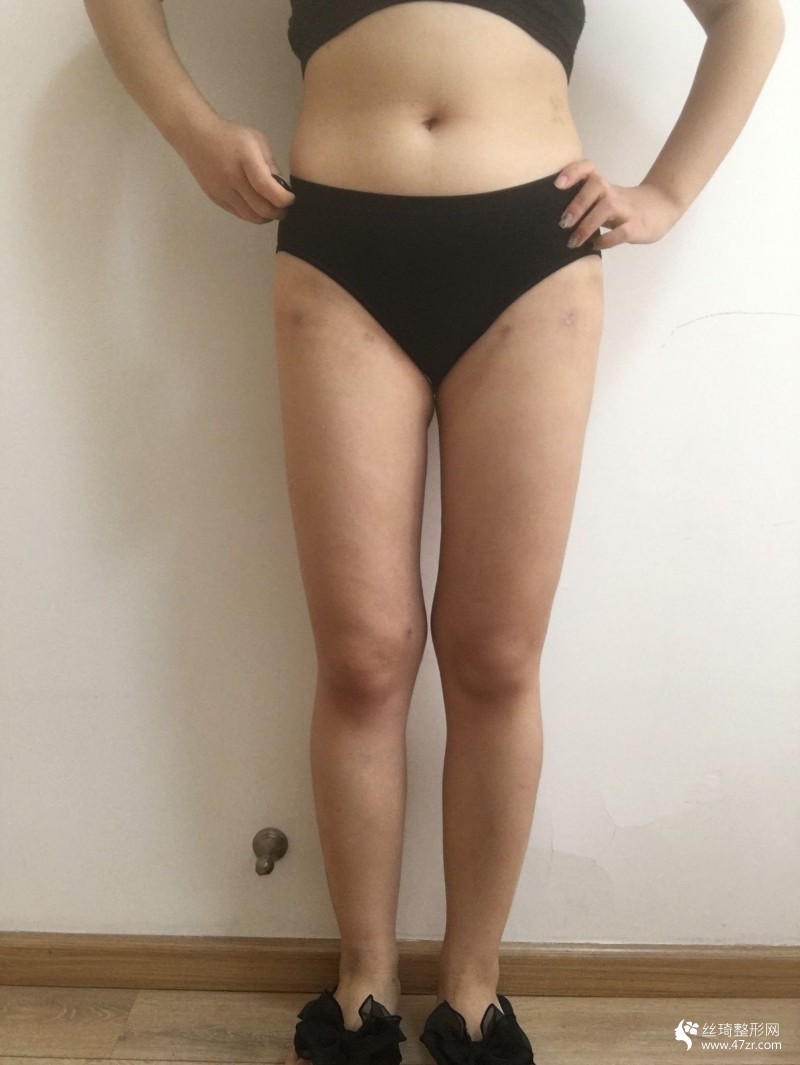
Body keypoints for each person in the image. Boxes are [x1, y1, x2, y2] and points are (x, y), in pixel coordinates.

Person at [82, 1, 785, 1062]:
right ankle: (363, 977)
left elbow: (746, 14)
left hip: (536, 253)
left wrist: (666, 191)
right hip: (338, 252)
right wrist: (191, 130)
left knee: (495, 653)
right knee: (364, 655)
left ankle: (472, 984)